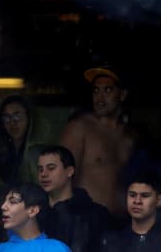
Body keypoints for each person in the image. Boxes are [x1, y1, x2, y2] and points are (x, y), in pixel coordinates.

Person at [59, 66, 139, 218]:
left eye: (107, 90)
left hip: (123, 222)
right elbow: (60, 179)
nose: (100, 97)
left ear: (122, 95)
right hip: (87, 221)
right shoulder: (80, 128)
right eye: (96, 90)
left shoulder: (130, 136)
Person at [37, 145, 110, 252]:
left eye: (51, 168)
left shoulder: (94, 214)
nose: (43, 174)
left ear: (69, 171)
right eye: (40, 169)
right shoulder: (33, 213)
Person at [0, 94, 46, 205]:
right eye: (6, 118)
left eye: (17, 117)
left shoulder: (38, 152)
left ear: (29, 118)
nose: (12, 123)